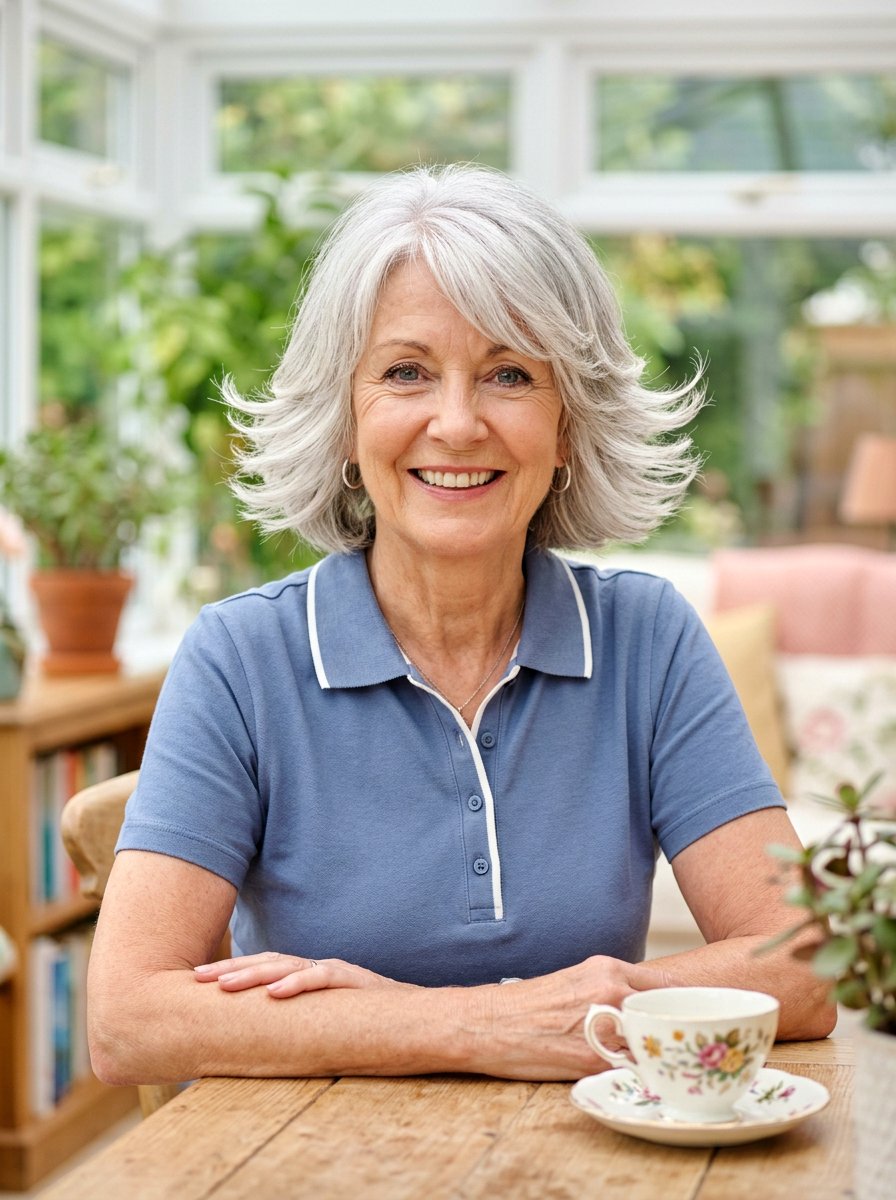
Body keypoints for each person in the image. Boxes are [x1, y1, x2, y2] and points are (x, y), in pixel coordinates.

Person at [89, 165, 834, 1087]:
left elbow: (805, 965)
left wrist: (485, 1014)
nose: (456, 422)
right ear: (343, 421)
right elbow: (127, 1023)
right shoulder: (240, 657)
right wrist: (479, 1026)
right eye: (406, 372)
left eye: (508, 375)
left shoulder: (651, 640)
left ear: (569, 425)